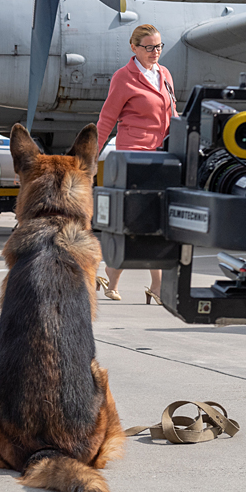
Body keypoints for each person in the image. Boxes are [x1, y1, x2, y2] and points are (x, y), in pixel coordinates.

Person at [96, 24, 178, 304]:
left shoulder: (164, 74)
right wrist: (90, 156)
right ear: (134, 48)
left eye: (159, 47)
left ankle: (150, 283)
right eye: (149, 47)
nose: (155, 52)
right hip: (134, 154)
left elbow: (173, 114)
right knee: (136, 219)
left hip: (160, 156)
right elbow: (107, 118)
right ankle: (114, 274)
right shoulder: (124, 77)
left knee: (156, 220)